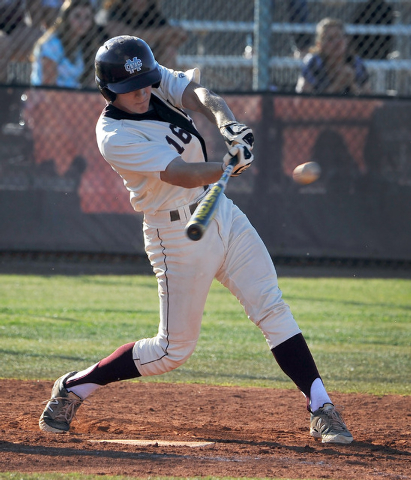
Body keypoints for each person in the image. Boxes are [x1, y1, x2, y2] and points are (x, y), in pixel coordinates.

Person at [39, 35, 353, 445]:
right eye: (129, 89)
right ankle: (76, 386)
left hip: (219, 211)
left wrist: (227, 123)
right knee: (172, 351)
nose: (142, 92)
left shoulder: (152, 84)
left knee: (271, 306)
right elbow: (178, 174)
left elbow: (199, 93)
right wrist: (227, 165)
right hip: (174, 233)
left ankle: (321, 406)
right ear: (107, 91)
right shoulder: (113, 135)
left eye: (146, 83)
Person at [30, 0, 103, 88]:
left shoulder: (83, 47)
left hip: (75, 98)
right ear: (66, 17)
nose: (82, 22)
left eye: (87, 17)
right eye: (77, 16)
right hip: (47, 98)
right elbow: (48, 84)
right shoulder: (51, 43)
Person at [96, 0, 187, 69]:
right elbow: (126, 38)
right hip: (117, 59)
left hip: (144, 59)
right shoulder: (116, 10)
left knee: (169, 50)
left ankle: (165, 89)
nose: (139, 1)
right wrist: (164, 33)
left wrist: (160, 34)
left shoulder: (151, 13)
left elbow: (179, 37)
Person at [296, 17, 371, 95]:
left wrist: (352, 85)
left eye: (339, 37)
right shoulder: (313, 62)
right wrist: (337, 85)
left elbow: (369, 102)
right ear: (319, 44)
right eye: (330, 39)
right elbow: (301, 100)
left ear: (346, 40)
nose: (336, 42)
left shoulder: (355, 63)